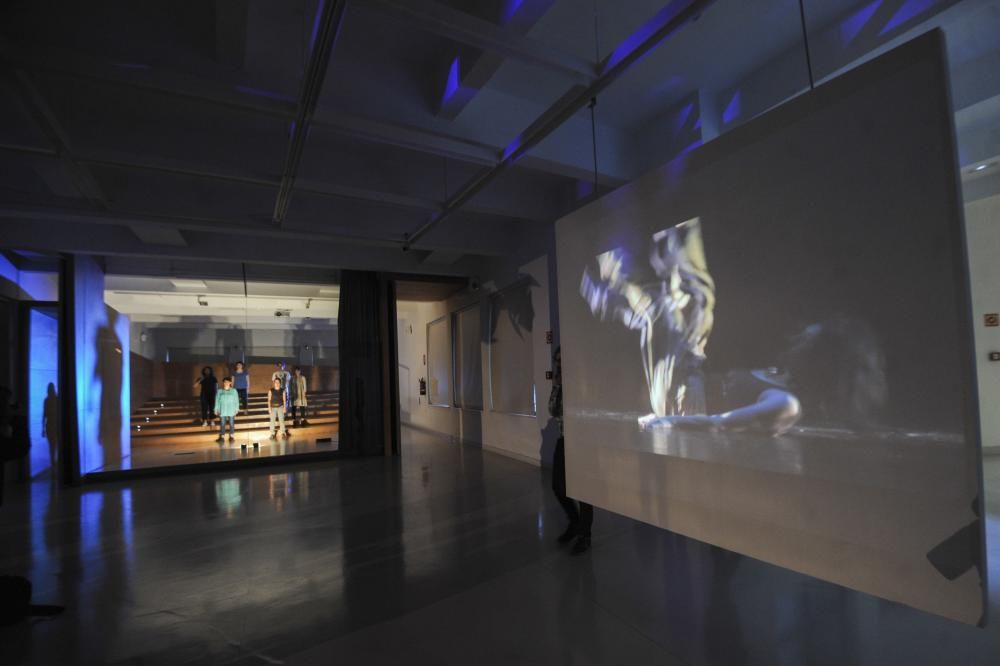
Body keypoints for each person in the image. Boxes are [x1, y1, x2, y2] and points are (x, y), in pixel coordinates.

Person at [549, 347, 593, 554]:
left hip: (583, 441)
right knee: (558, 486)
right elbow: (552, 410)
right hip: (565, 439)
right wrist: (557, 386)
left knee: (584, 490)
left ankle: (585, 535)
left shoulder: (584, 381)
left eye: (561, 361)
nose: (558, 365)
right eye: (557, 361)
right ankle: (575, 522)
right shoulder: (560, 384)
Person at [214, 377, 240, 444]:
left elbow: (236, 400)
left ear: (230, 383)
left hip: (231, 409)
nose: (226, 383)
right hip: (223, 409)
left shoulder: (234, 391)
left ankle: (231, 436)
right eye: (225, 382)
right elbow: (217, 401)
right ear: (223, 383)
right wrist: (216, 409)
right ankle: (222, 437)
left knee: (231, 423)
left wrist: (236, 409)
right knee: (222, 424)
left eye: (228, 382)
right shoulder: (220, 391)